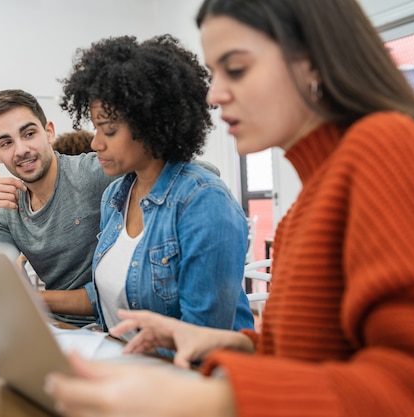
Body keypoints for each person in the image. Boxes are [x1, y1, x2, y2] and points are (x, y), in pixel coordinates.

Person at [44, 0, 414, 416]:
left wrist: (211, 399)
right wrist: (231, 342)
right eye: (214, 73)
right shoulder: (309, 202)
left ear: (315, 61)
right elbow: (317, 357)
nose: (214, 94)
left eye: (237, 68)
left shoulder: (385, 146)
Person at [40, 34, 254, 337]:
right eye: (96, 128)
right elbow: (111, 290)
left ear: (152, 125)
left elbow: (203, 337)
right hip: (121, 360)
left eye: (109, 131)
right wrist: (33, 297)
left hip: (180, 375)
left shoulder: (204, 202)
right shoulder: (116, 195)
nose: (95, 143)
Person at [0, 89, 117, 325]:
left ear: (49, 132)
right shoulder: (7, 209)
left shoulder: (91, 173)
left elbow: (178, 168)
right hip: (54, 326)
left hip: (109, 325)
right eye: (6, 143)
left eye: (29, 134)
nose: (21, 150)